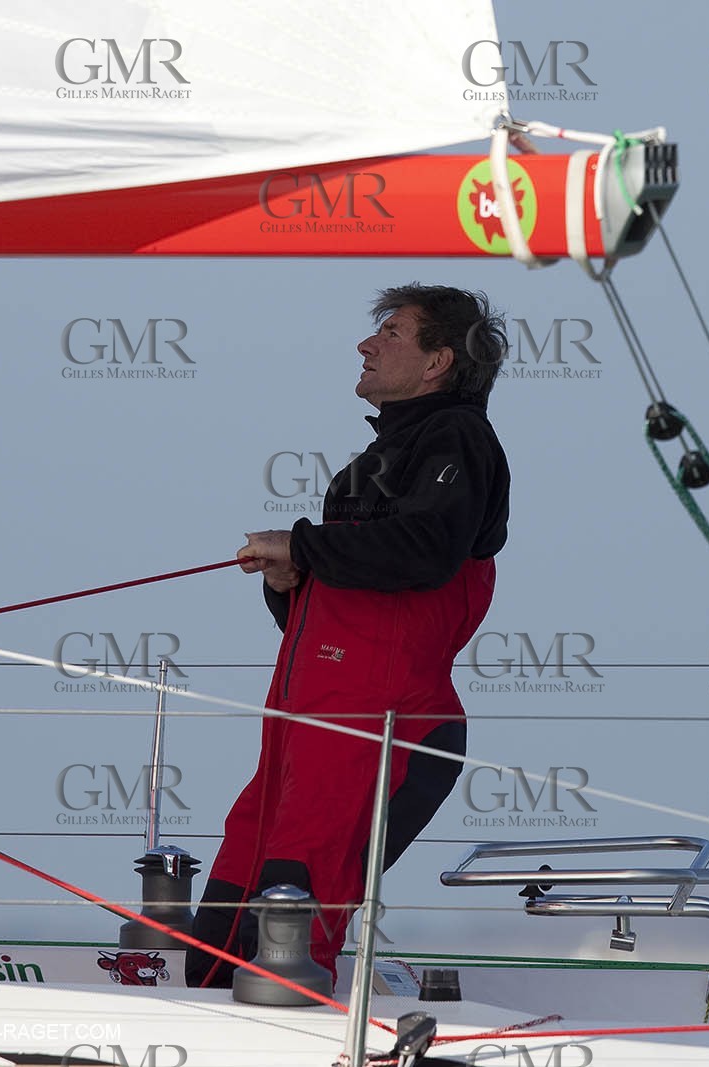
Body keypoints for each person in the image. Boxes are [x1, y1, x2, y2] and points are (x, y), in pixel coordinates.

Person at [185, 284, 511, 989]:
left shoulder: (459, 437)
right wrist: (289, 587)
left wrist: (303, 545)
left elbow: (425, 549)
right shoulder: (367, 467)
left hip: (383, 731)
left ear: (437, 362)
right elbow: (338, 619)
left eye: (391, 332)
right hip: (304, 736)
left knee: (282, 950)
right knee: (214, 942)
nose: (367, 344)